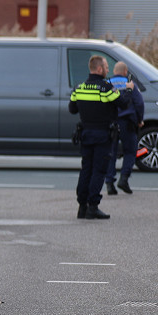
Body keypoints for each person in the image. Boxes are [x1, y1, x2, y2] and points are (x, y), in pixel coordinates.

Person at [68, 55, 127, 219]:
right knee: (99, 170)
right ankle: (93, 207)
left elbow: (72, 109)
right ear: (99, 69)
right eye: (107, 67)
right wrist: (127, 89)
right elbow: (123, 103)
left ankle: (82, 206)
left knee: (86, 169)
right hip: (102, 135)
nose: (108, 70)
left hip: (86, 135)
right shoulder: (106, 88)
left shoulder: (79, 88)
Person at [104, 61, 145, 195]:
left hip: (111, 124)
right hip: (127, 123)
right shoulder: (130, 84)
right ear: (125, 71)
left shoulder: (107, 83)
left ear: (114, 71)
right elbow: (139, 103)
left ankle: (109, 183)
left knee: (111, 153)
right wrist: (139, 120)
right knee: (130, 152)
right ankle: (124, 179)